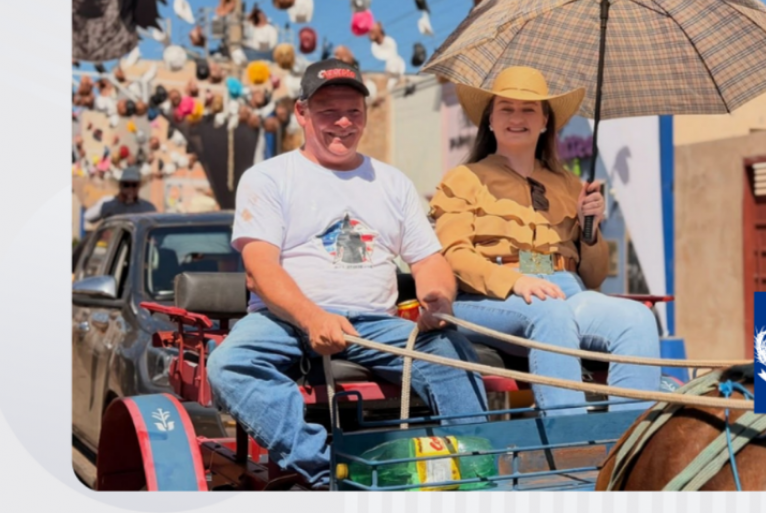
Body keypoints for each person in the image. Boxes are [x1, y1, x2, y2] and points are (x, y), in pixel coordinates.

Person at [205, 59, 485, 489]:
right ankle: (332, 474)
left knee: (454, 355)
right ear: (302, 113)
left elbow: (429, 260)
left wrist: (438, 298)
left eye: (353, 111)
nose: (343, 122)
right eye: (328, 111)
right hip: (284, 320)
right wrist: (313, 317)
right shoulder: (268, 178)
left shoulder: (392, 183)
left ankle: (474, 476)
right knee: (230, 363)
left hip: (374, 324)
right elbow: (260, 268)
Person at [429, 66, 660, 414]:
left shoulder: (569, 184)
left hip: (566, 289)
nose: (516, 117)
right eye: (506, 108)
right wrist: (517, 281)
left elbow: (594, 278)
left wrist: (589, 228)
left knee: (637, 318)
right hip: (490, 297)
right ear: (489, 119)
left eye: (529, 109)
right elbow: (455, 256)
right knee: (548, 312)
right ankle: (568, 439)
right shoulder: (463, 179)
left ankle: (626, 449)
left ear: (545, 122)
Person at [85, 164, 158, 228]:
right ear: (120, 186)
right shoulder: (110, 205)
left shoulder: (147, 208)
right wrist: (115, 201)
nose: (130, 189)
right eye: (126, 185)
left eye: (134, 185)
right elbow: (88, 217)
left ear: (138, 186)